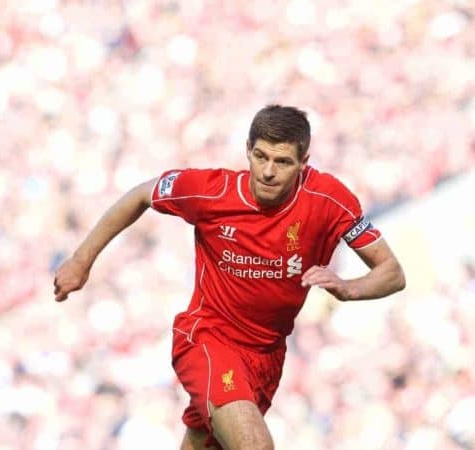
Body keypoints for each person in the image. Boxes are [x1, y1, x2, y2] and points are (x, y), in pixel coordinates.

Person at [53, 104, 406, 450]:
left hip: (266, 355)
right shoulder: (212, 191)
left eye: (282, 161)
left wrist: (349, 287)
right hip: (208, 337)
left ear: (304, 163)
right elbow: (141, 194)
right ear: (247, 151)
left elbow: (391, 272)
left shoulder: (328, 199)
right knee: (254, 445)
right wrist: (81, 261)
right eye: (260, 156)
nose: (268, 171)